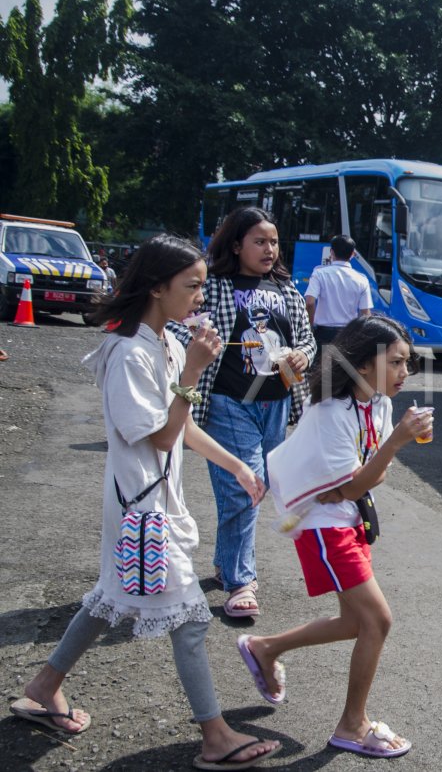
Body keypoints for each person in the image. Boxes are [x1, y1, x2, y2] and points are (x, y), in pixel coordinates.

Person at [9, 235, 281, 770]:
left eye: (203, 284)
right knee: (192, 620)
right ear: (157, 286)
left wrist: (237, 464)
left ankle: (43, 688)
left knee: (107, 597)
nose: (201, 296)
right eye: (193, 285)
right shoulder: (129, 349)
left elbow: (181, 432)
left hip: (152, 501)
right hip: (139, 506)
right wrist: (193, 373)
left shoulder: (167, 342)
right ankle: (216, 736)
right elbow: (159, 436)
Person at [237, 315, 432, 759]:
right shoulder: (331, 411)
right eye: (397, 362)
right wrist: (394, 446)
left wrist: (382, 455)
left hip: (346, 517)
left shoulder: (378, 405)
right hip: (323, 526)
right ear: (363, 365)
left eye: (409, 362)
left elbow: (368, 479)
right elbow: (357, 483)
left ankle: (264, 648)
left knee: (354, 622)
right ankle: (352, 725)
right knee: (377, 621)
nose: (406, 372)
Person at [171, 206, 317, 619]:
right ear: (236, 245)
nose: (269, 249)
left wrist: (302, 356)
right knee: (244, 487)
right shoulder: (214, 285)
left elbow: (307, 341)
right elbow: (183, 324)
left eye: (273, 242)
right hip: (227, 402)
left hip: (277, 405)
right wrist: (203, 336)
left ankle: (225, 565)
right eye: (259, 241)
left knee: (255, 487)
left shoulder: (287, 290)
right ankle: (241, 583)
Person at [305, 234, 373, 353]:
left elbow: (310, 303)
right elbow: (365, 314)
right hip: (348, 334)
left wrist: (309, 327)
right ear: (353, 254)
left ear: (331, 252)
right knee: (342, 370)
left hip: (323, 333)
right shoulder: (362, 279)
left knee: (322, 370)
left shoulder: (319, 273)